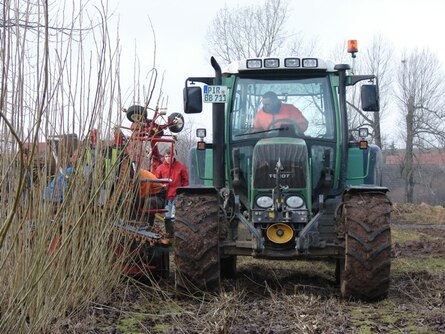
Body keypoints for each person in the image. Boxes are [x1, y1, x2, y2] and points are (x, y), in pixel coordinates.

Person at [155, 148, 189, 229]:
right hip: (166, 195)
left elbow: (186, 180)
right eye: (166, 156)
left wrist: (182, 191)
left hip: (177, 194)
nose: (168, 158)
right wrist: (161, 187)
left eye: (169, 156)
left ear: (173, 156)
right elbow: (156, 181)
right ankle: (169, 233)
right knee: (167, 216)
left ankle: (176, 233)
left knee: (174, 215)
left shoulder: (180, 167)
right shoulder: (160, 168)